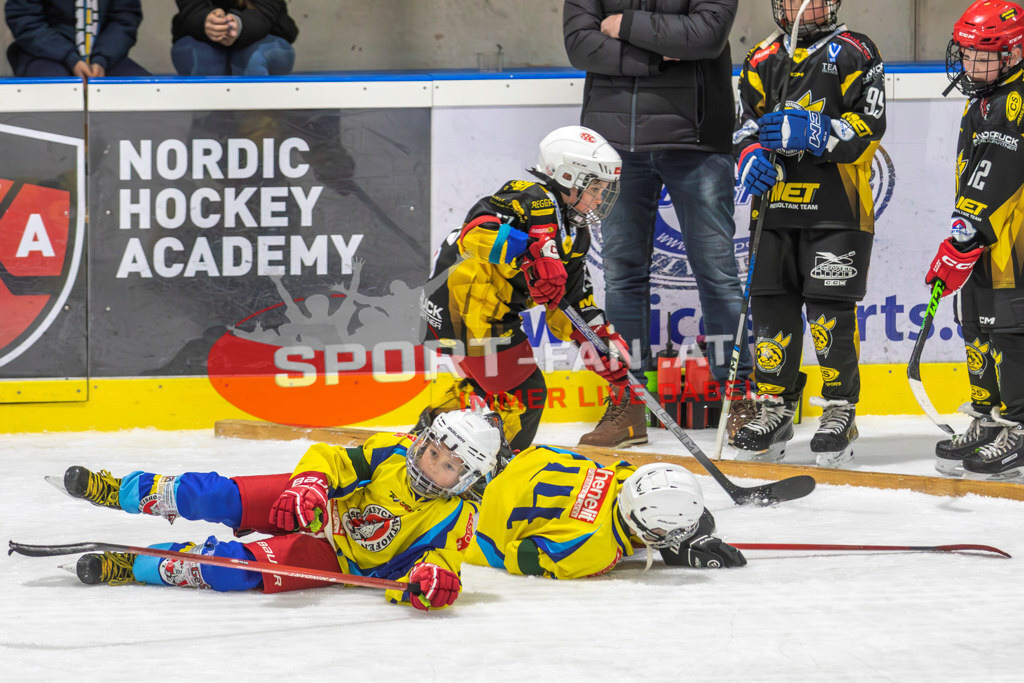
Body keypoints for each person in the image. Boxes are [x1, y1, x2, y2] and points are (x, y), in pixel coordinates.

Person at [53, 411, 501, 611]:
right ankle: (118, 491)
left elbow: (439, 567)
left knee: (229, 571)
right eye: (433, 451)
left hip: (335, 559)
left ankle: (132, 565)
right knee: (213, 495)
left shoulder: (457, 518)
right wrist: (311, 483)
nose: (431, 465)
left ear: (467, 480)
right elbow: (333, 458)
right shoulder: (393, 450)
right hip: (313, 507)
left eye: (448, 466)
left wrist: (433, 583)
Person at [563, 0, 754, 448]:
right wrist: (656, 56)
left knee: (717, 275)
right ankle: (628, 403)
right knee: (622, 276)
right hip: (613, 146)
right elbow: (579, 44)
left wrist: (624, 25)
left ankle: (738, 398)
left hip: (696, 140)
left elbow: (706, 36)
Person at [731, 0, 886, 468]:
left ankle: (840, 410)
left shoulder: (858, 50)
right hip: (774, 209)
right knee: (771, 308)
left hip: (838, 210)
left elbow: (870, 126)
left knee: (828, 313)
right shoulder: (760, 57)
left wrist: (820, 131)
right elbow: (744, 124)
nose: (799, 6)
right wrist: (749, 156)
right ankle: (775, 408)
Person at [418, 125, 636, 452]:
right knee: (525, 394)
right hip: (464, 308)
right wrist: (529, 253)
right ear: (567, 177)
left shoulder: (576, 234)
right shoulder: (527, 198)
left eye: (603, 189)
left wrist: (598, 343)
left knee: (492, 385)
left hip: (477, 311)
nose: (599, 198)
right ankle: (497, 467)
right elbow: (475, 232)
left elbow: (570, 303)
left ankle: (427, 434)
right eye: (594, 188)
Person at [926, 0, 1024, 482]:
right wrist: (965, 235)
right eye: (965, 54)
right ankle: (989, 418)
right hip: (985, 237)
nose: (969, 65)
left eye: (981, 56)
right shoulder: (984, 98)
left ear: (1014, 53)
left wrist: (967, 233)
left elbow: (1000, 174)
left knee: (1010, 330)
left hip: (1013, 242)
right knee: (977, 326)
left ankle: (1020, 428)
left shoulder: (1016, 100)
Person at [466, 450, 745, 578]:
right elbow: (519, 556)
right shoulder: (597, 552)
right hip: (483, 531)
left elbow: (548, 452)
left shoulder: (623, 476)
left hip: (521, 464)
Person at [5, 0, 149, 77]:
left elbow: (124, 20)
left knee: (145, 90)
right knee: (56, 90)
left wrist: (102, 59)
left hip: (103, 55)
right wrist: (70, 58)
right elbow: (24, 19)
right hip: (46, 53)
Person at [171, 0, 297, 76]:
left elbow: (267, 11)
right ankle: (209, 112)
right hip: (200, 38)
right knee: (203, 56)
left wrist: (239, 25)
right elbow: (191, 8)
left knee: (253, 58)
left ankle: (257, 111)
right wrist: (205, 21)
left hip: (264, 36)